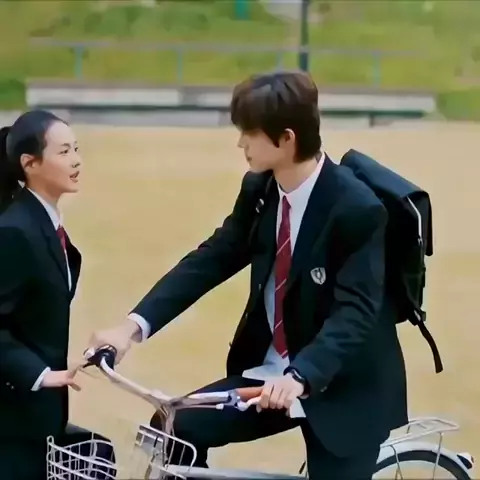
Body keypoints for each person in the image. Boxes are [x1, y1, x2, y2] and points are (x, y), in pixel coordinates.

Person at [88, 71, 408, 479]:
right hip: (270, 374)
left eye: (250, 133)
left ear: (287, 139)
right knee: (176, 429)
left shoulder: (356, 208)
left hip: (343, 384)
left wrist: (301, 376)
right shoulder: (260, 189)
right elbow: (211, 259)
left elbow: (355, 312)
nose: (241, 143)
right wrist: (130, 329)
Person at [0, 110, 114, 479]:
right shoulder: (15, 231)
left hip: (39, 416)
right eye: (64, 152)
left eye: (76, 149)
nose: (76, 160)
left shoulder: (44, 225)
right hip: (12, 421)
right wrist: (39, 374)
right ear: (29, 163)